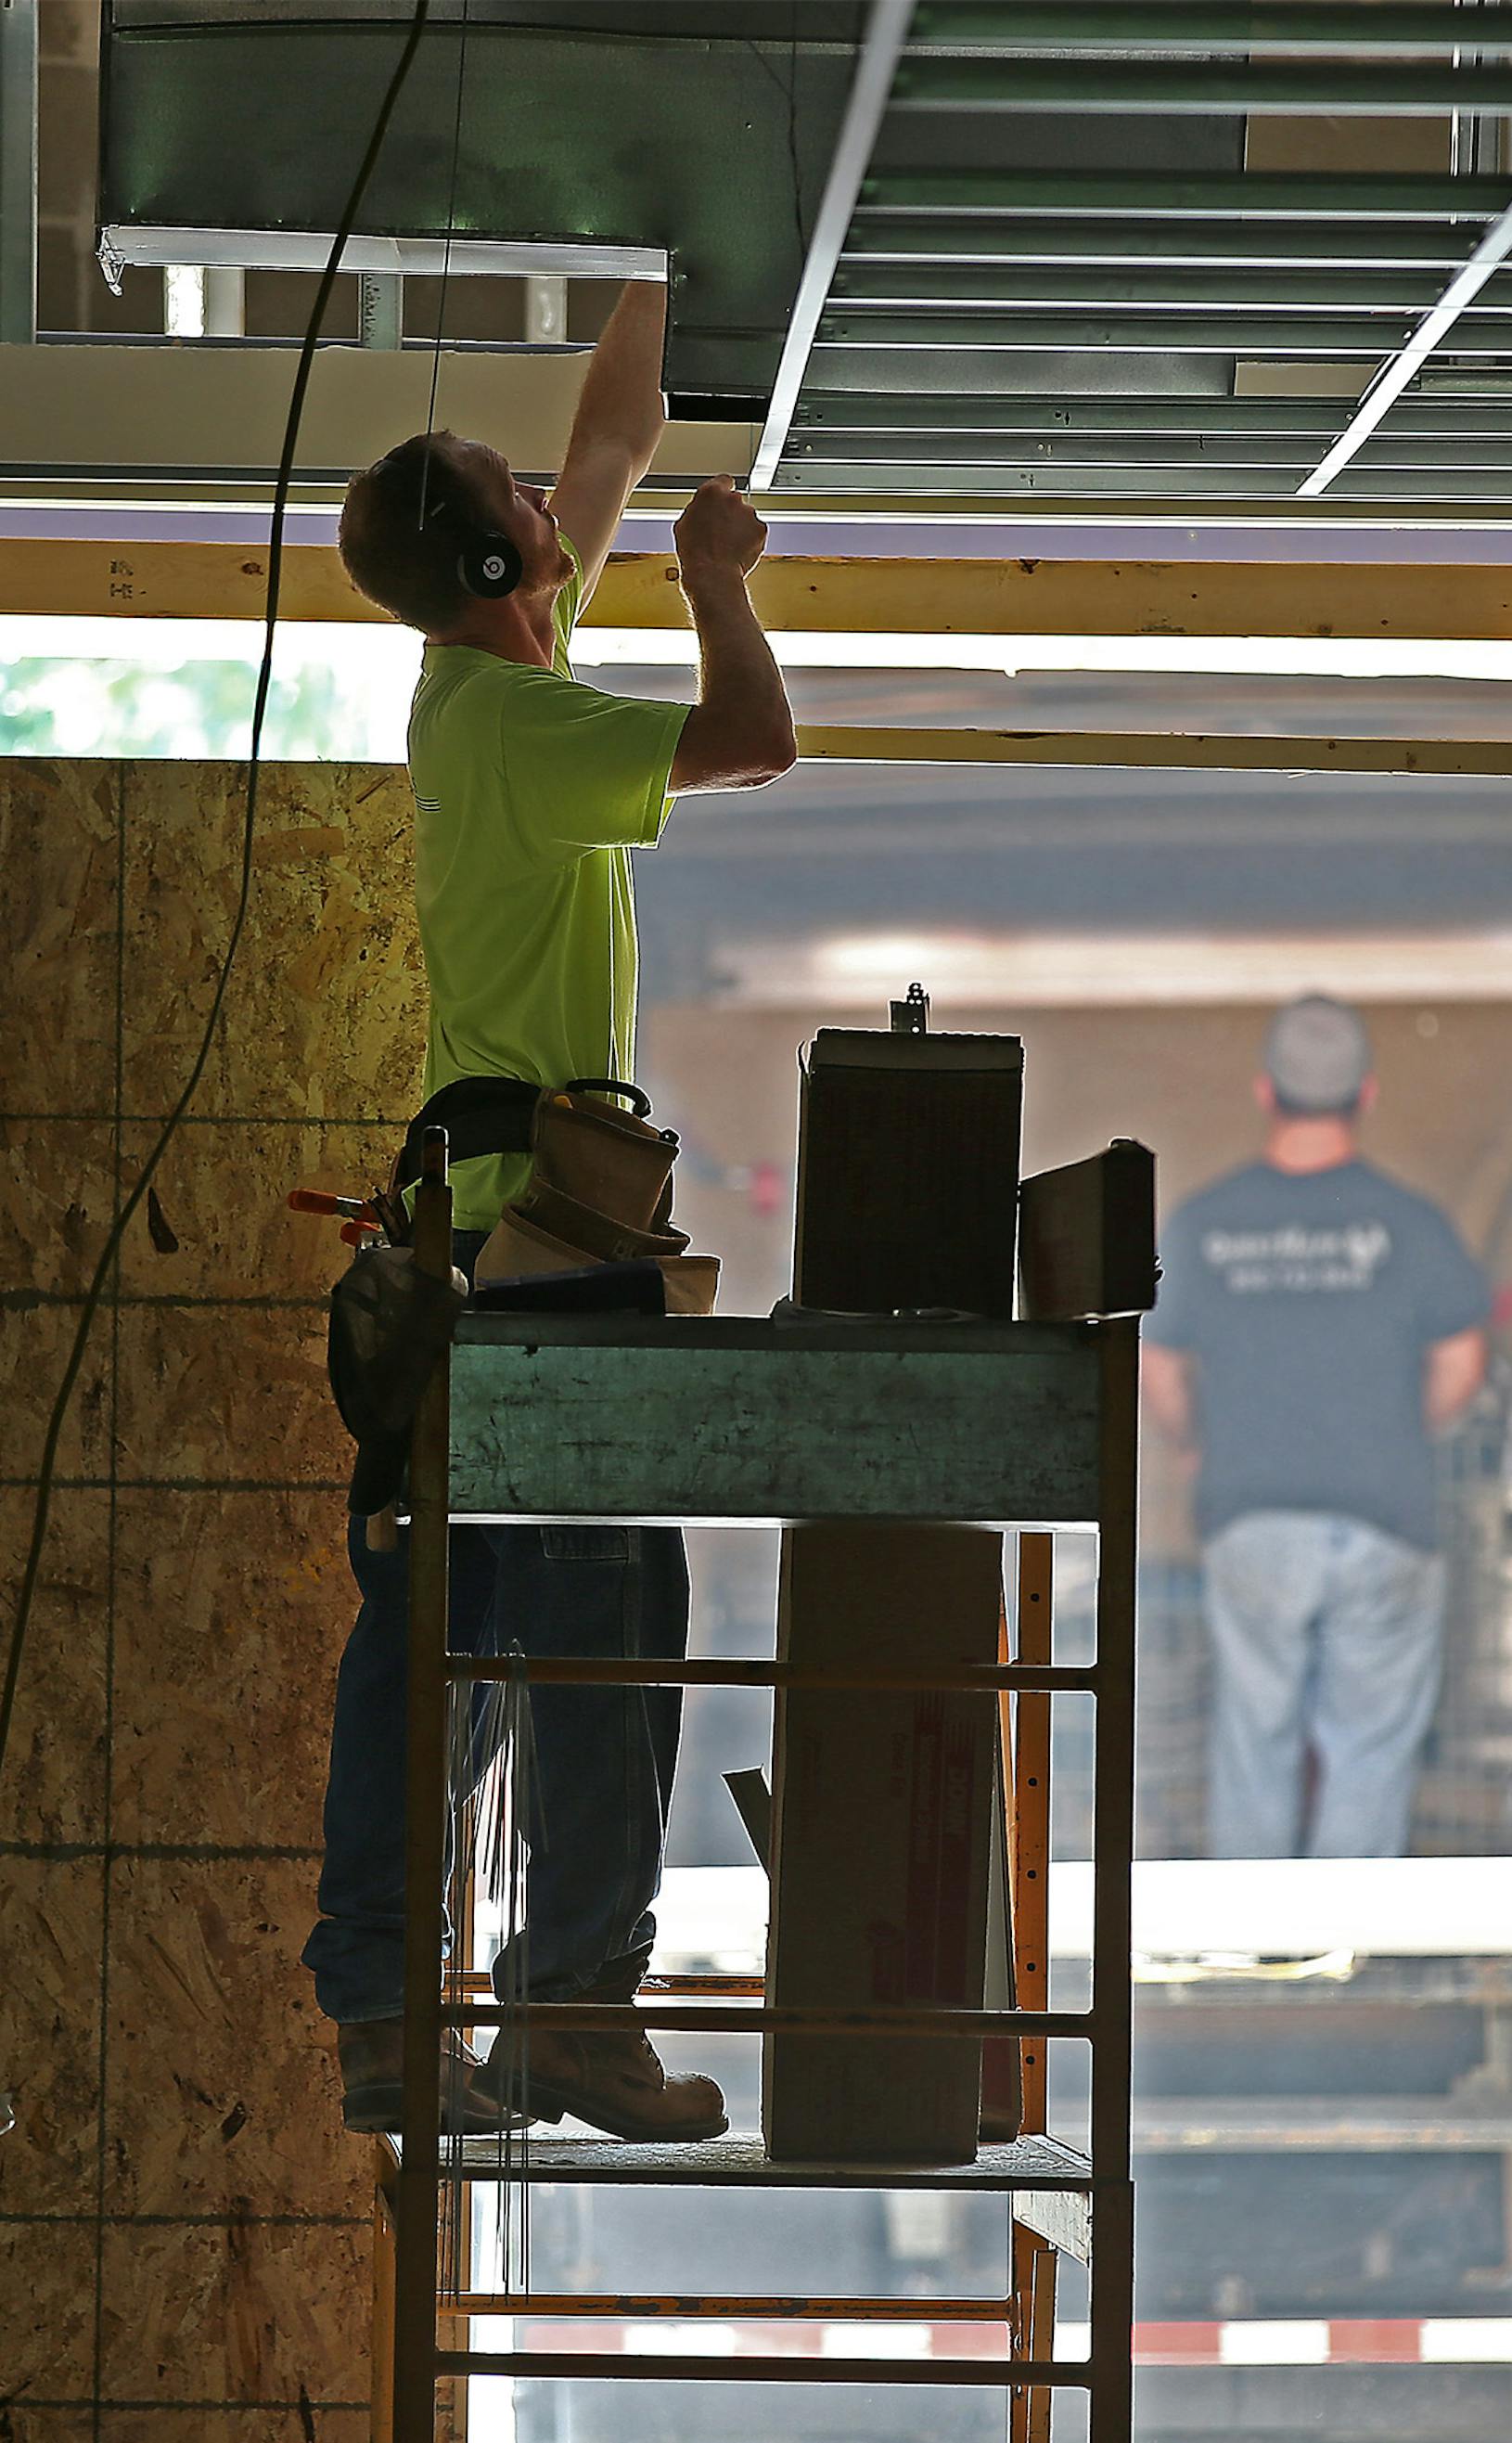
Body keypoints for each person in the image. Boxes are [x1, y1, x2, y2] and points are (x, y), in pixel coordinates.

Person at [301, 281, 795, 2139]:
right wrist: (722, 579)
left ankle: (423, 2009)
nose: (536, 482)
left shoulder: (503, 635)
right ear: (495, 554)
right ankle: (562, 2010)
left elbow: (606, 431)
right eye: (500, 485)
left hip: (504, 1242)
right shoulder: (514, 714)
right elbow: (752, 742)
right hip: (533, 1255)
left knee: (467, 1636)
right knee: (580, 1633)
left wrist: (650, 269)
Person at [1142, 997, 1490, 1860]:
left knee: (1252, 1732)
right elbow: (1463, 1360)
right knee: (1368, 1744)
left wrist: (1194, 1441)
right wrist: (1405, 1430)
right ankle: (1346, 1951)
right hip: (1384, 1516)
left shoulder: (1202, 1223)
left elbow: (1157, 1362)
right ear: (1365, 1095)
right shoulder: (1412, 1225)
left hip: (1250, 1516)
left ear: (1266, 1093)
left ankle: (1255, 1956)